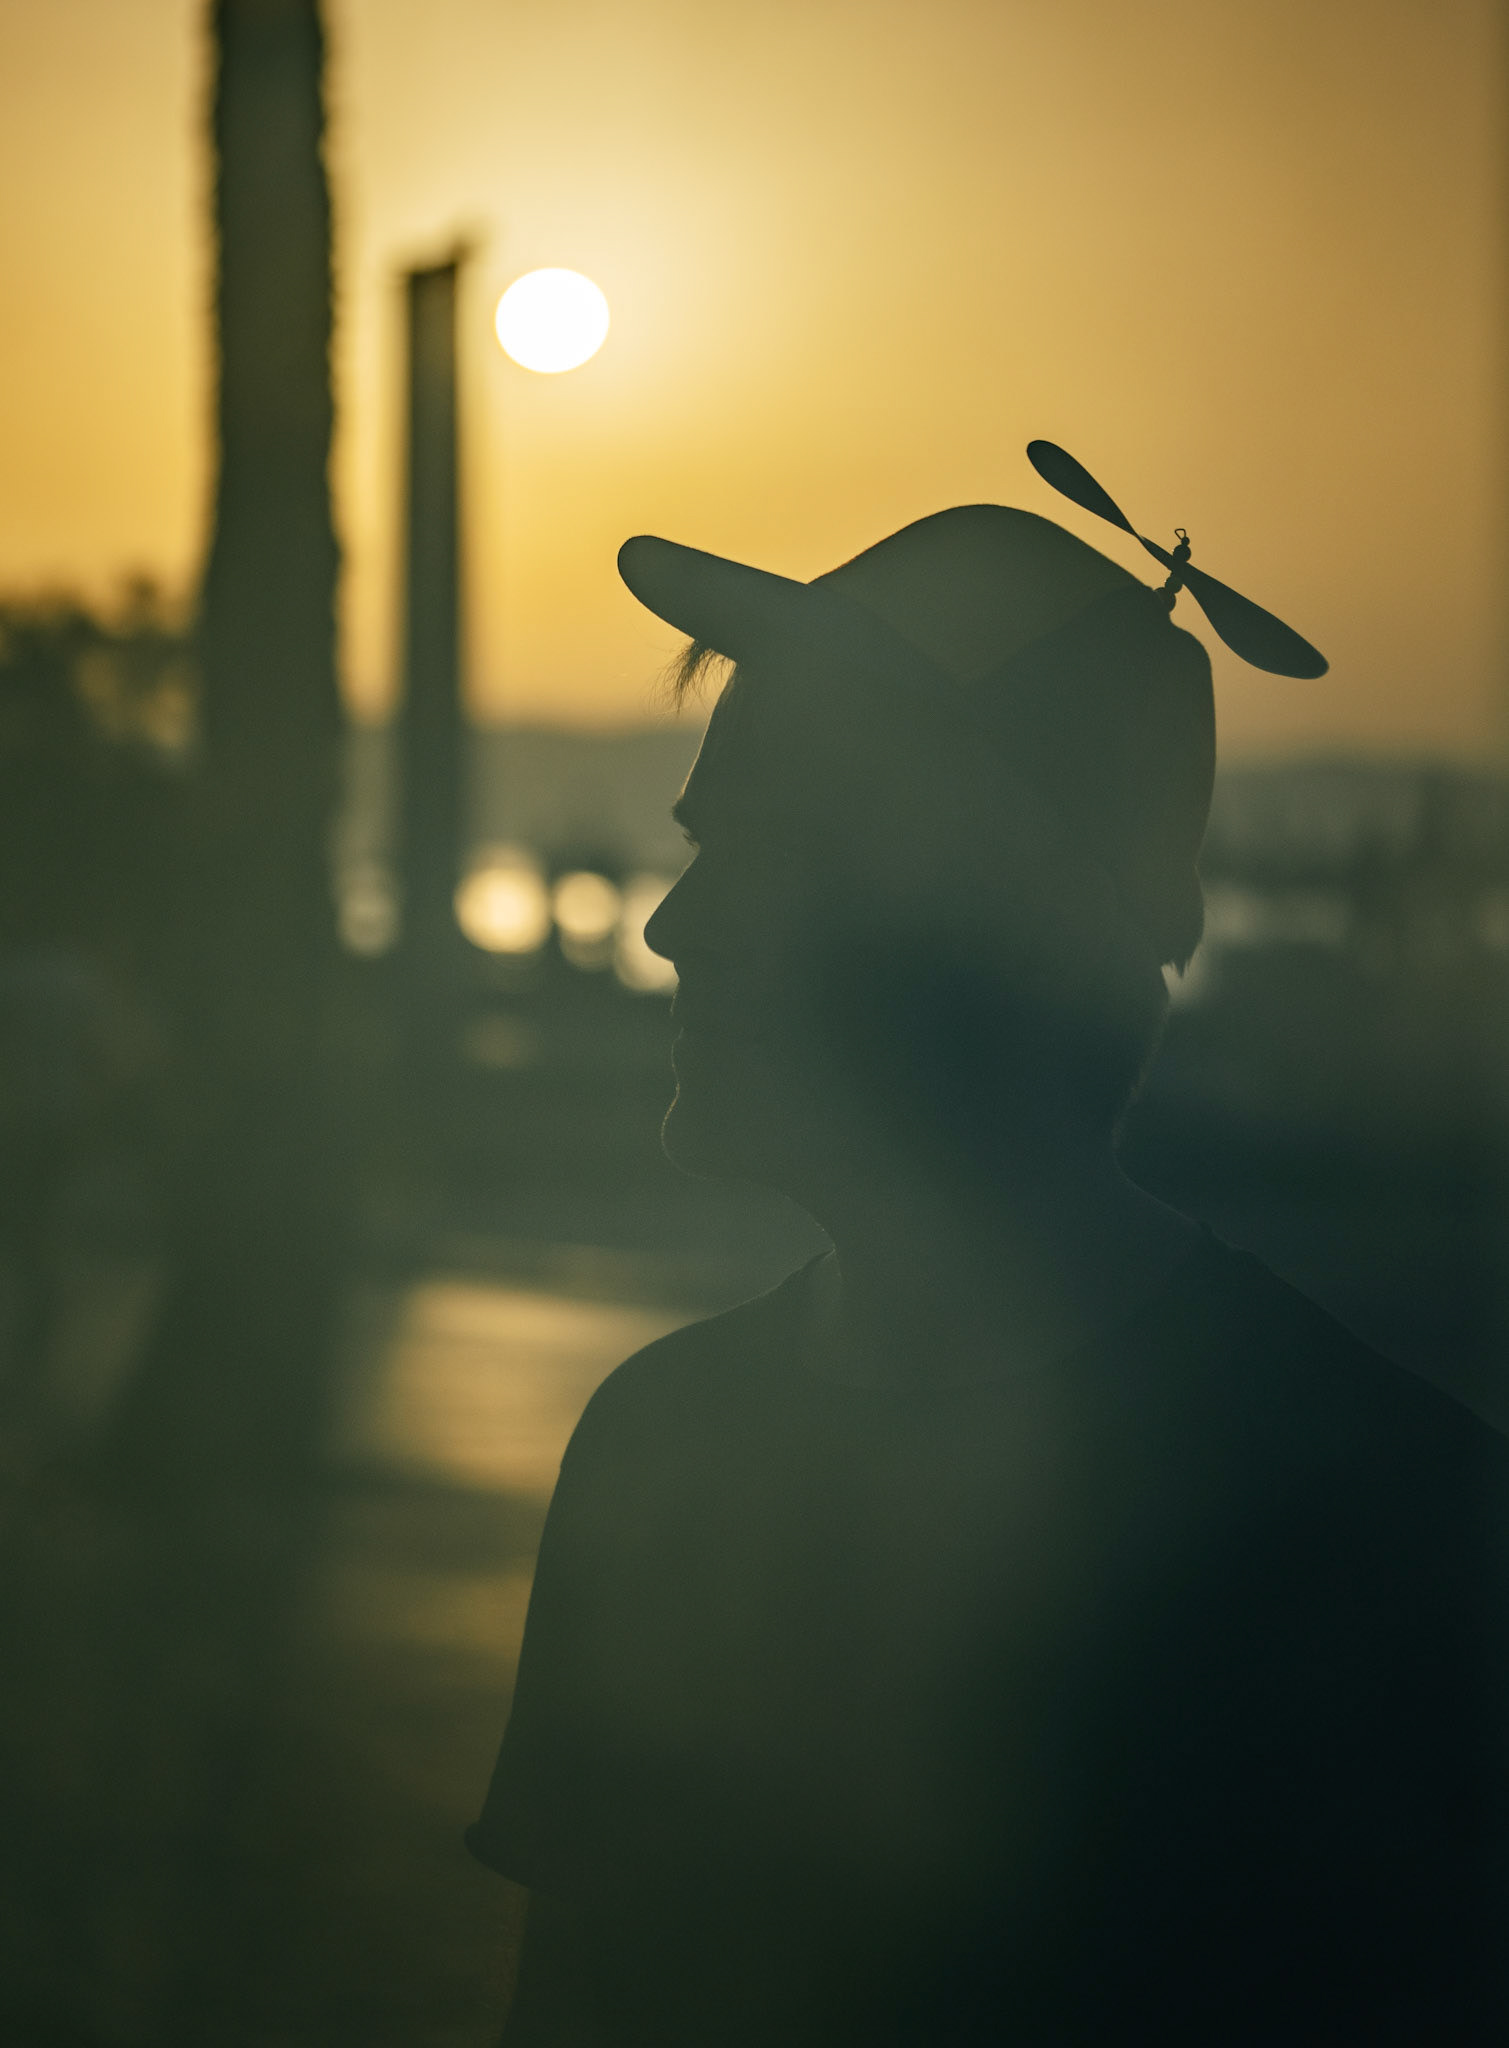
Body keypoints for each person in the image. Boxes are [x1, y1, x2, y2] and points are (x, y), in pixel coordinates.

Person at [469, 483, 1509, 2044]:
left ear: (990, 924)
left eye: (763, 857)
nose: (673, 928)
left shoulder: (1387, 1528)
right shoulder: (653, 1445)